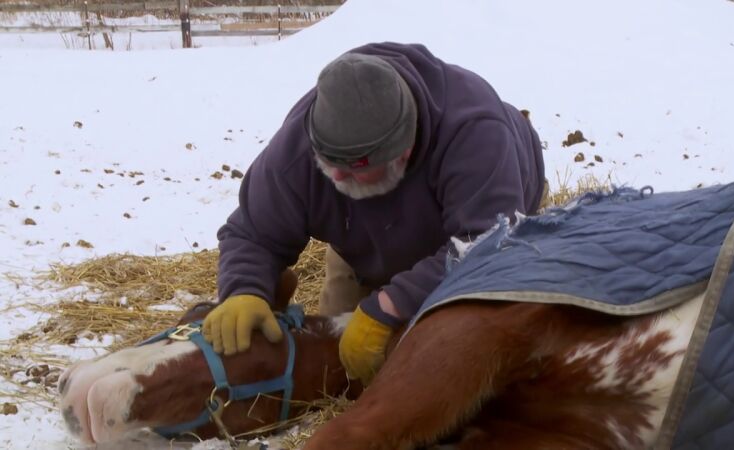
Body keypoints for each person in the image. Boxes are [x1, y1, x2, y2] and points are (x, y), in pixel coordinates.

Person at [201, 42, 547, 384]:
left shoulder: (475, 134)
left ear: (404, 151)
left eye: (353, 169)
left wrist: (393, 305)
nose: (336, 177)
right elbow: (253, 232)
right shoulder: (298, 146)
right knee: (341, 363)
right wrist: (245, 289)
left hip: (484, 229)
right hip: (362, 245)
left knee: (458, 356)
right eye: (328, 162)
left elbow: (488, 243)